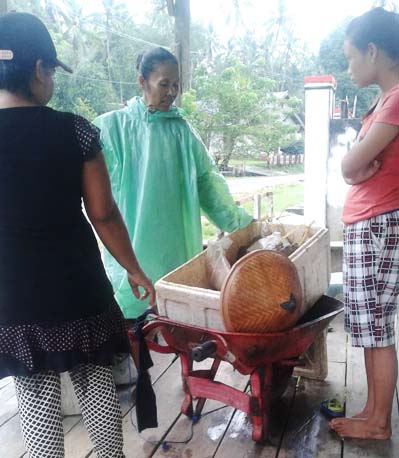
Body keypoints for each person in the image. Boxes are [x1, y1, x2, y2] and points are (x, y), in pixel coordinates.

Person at [0, 12, 155, 458]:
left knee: (37, 405)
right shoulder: (74, 131)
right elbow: (103, 214)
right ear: (38, 70)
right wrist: (134, 269)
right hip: (78, 290)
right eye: (50, 70)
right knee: (97, 390)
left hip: (17, 297)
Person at [94, 47, 252, 320]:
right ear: (142, 82)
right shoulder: (111, 129)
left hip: (178, 254)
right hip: (131, 256)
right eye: (163, 84)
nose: (171, 92)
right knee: (132, 333)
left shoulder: (183, 132)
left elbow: (208, 186)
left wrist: (244, 226)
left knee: (178, 325)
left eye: (176, 85)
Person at [330, 7, 399, 440]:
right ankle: (374, 410)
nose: (350, 66)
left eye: (352, 57)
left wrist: (353, 168)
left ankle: (378, 422)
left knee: (377, 326)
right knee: (371, 327)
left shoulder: (396, 100)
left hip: (376, 225)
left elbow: (351, 164)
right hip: (366, 224)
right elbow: (355, 166)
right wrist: (354, 168)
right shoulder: (383, 102)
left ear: (373, 50)